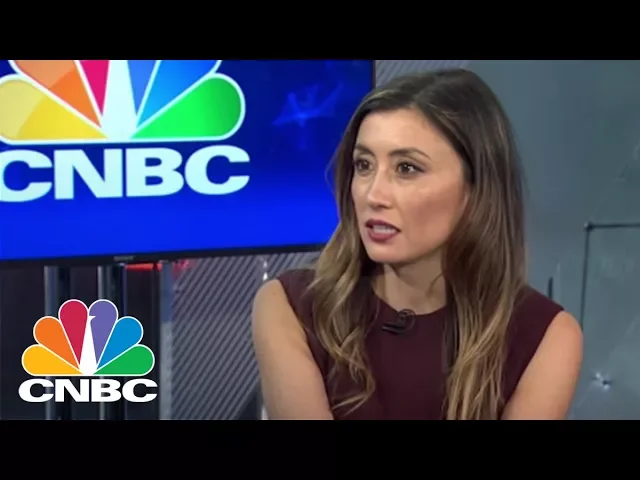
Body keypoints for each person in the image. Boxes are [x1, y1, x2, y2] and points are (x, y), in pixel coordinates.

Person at [252, 69, 583, 420]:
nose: (373, 194)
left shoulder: (545, 336)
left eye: (406, 168)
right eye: (363, 165)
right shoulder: (291, 307)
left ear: (476, 189)